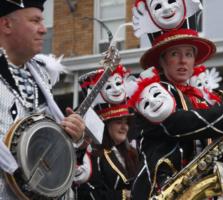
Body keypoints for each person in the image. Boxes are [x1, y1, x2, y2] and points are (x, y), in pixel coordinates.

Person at [130, 0, 223, 199]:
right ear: (162, 61)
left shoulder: (201, 99)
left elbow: (222, 150)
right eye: (175, 54)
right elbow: (176, 123)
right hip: (159, 191)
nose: (183, 60)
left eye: (189, 54)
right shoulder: (153, 91)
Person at [0, 1, 85, 199]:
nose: (43, 29)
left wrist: (75, 133)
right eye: (34, 20)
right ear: (6, 25)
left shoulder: (41, 73)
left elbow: (47, 144)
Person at [74, 103, 139, 200]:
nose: (124, 127)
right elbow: (88, 194)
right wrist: (123, 195)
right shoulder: (94, 156)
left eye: (126, 122)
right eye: (118, 122)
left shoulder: (133, 152)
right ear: (105, 125)